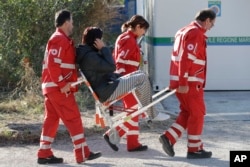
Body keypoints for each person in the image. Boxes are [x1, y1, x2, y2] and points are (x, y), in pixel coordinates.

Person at [37, 9, 101, 164]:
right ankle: (82, 153)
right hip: (58, 88)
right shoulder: (59, 39)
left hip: (53, 88)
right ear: (66, 22)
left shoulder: (60, 39)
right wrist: (62, 84)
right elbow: (53, 64)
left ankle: (44, 152)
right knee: (73, 118)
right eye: (71, 22)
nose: (72, 25)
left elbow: (61, 65)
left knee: (51, 120)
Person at [76, 26, 154, 152]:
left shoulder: (88, 54)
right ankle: (151, 113)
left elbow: (106, 71)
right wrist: (104, 49)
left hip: (108, 86)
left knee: (140, 77)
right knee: (142, 78)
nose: (102, 41)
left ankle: (147, 112)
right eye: (100, 39)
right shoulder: (90, 56)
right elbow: (112, 66)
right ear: (96, 41)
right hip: (107, 91)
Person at [159, 8, 216, 159]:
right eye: (212, 24)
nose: (211, 28)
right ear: (207, 20)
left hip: (182, 81)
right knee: (198, 113)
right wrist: (183, 81)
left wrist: (180, 80)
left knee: (188, 112)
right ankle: (194, 149)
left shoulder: (183, 31)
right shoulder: (196, 33)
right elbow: (186, 59)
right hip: (190, 82)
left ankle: (169, 138)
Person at [112, 15, 152, 151]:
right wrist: (125, 81)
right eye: (144, 30)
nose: (144, 33)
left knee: (134, 110)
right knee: (134, 110)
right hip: (128, 81)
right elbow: (120, 61)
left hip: (128, 80)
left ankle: (133, 143)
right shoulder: (129, 40)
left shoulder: (126, 38)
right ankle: (114, 134)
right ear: (138, 26)